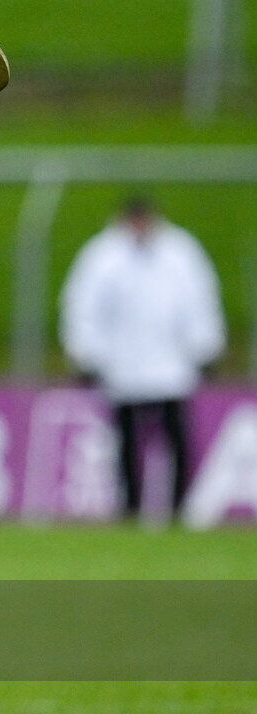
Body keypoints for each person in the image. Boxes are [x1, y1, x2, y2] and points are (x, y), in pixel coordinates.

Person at [59, 193, 226, 519]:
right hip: (124, 369)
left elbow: (199, 302)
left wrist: (205, 346)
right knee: (127, 448)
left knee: (177, 444)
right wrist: (87, 354)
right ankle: (130, 509)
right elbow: (83, 308)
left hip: (172, 370)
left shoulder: (180, 252)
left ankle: (179, 508)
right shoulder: (102, 256)